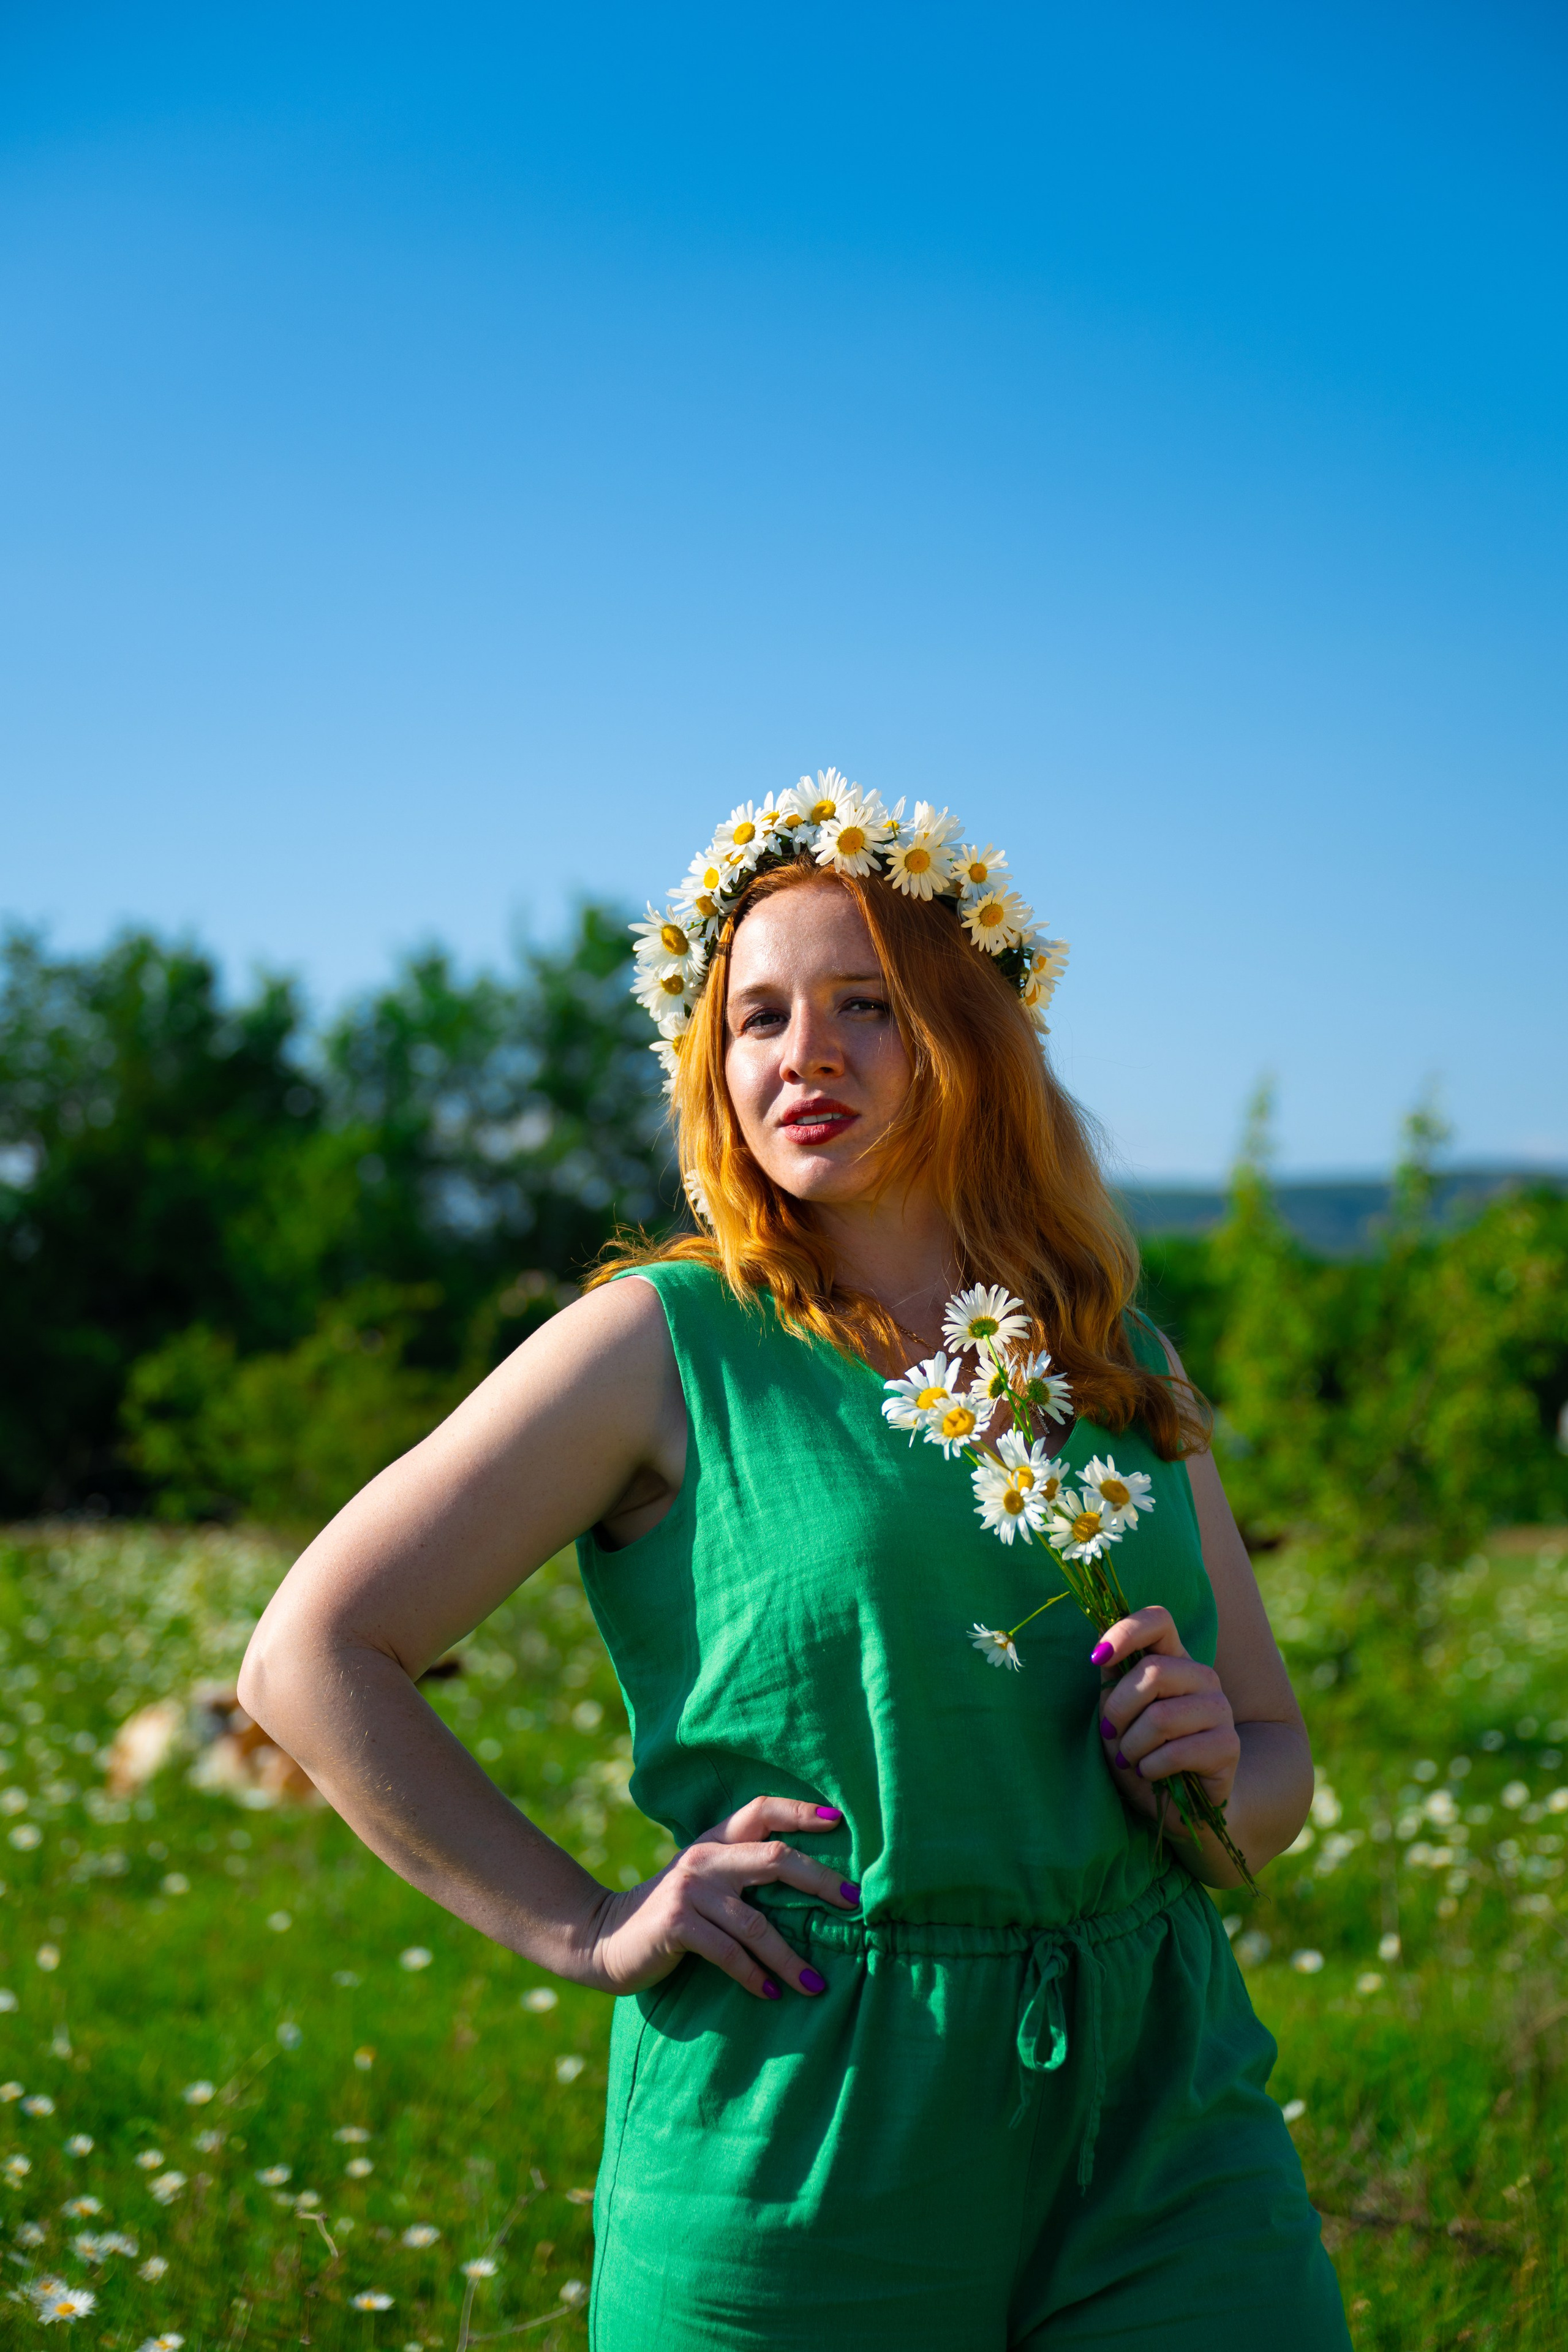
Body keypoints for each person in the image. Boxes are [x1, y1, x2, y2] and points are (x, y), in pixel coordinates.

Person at [239, 776, 1351, 2350]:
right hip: (808, 2107)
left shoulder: (1119, 1364)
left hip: (1162, 2103)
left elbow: (1272, 1759)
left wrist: (1205, 1773)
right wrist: (583, 1927)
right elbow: (308, 1657)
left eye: (863, 1006)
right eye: (754, 1017)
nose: (801, 1053)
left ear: (969, 1038)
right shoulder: (658, 1341)